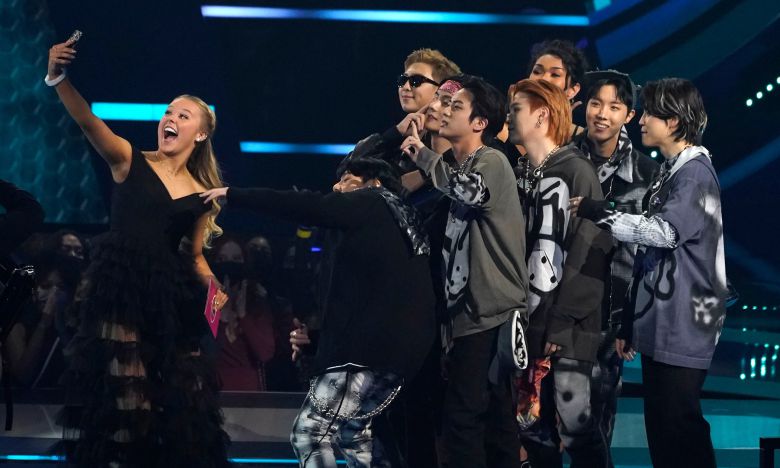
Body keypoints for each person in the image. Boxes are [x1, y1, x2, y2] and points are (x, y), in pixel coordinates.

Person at [46, 36, 230, 466]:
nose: (170, 118)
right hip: (120, 293)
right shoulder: (130, 159)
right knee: (129, 403)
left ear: (201, 133)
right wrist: (57, 77)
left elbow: (195, 256)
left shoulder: (202, 194)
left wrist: (216, 297)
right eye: (168, 112)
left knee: (173, 406)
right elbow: (88, 122)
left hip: (167, 303)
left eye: (182, 115)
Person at [202, 157, 436, 468]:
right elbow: (377, 301)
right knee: (355, 435)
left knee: (310, 433)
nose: (336, 187)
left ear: (374, 182)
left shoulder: (371, 201)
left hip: (368, 355)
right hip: (401, 355)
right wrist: (316, 339)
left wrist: (235, 194)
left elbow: (306, 205)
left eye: (347, 179)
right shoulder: (400, 220)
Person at [571, 77, 726, 468]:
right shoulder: (672, 171)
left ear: (673, 121)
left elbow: (664, 233)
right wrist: (630, 322)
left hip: (685, 322)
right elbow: (646, 254)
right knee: (663, 430)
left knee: (680, 428)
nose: (641, 120)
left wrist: (598, 212)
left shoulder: (694, 174)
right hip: (662, 319)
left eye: (650, 114)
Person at [402, 74, 528, 468]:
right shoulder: (465, 165)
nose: (445, 111)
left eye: (456, 106)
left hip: (490, 312)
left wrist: (424, 156)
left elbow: (468, 191)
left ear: (479, 123)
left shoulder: (492, 160)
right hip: (470, 315)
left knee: (463, 417)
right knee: (494, 418)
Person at [507, 78, 612, 467]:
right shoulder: (520, 172)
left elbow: (591, 251)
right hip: (528, 322)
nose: (508, 117)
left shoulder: (576, 171)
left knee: (574, 426)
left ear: (542, 116)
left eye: (516, 109)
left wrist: (561, 323)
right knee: (533, 431)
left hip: (568, 328)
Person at [571, 70, 659, 463]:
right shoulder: (562, 159)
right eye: (595, 103)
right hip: (558, 306)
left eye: (614, 106)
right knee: (549, 419)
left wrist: (633, 321)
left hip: (611, 313)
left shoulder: (647, 173)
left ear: (629, 115)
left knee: (595, 421)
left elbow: (651, 252)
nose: (602, 114)